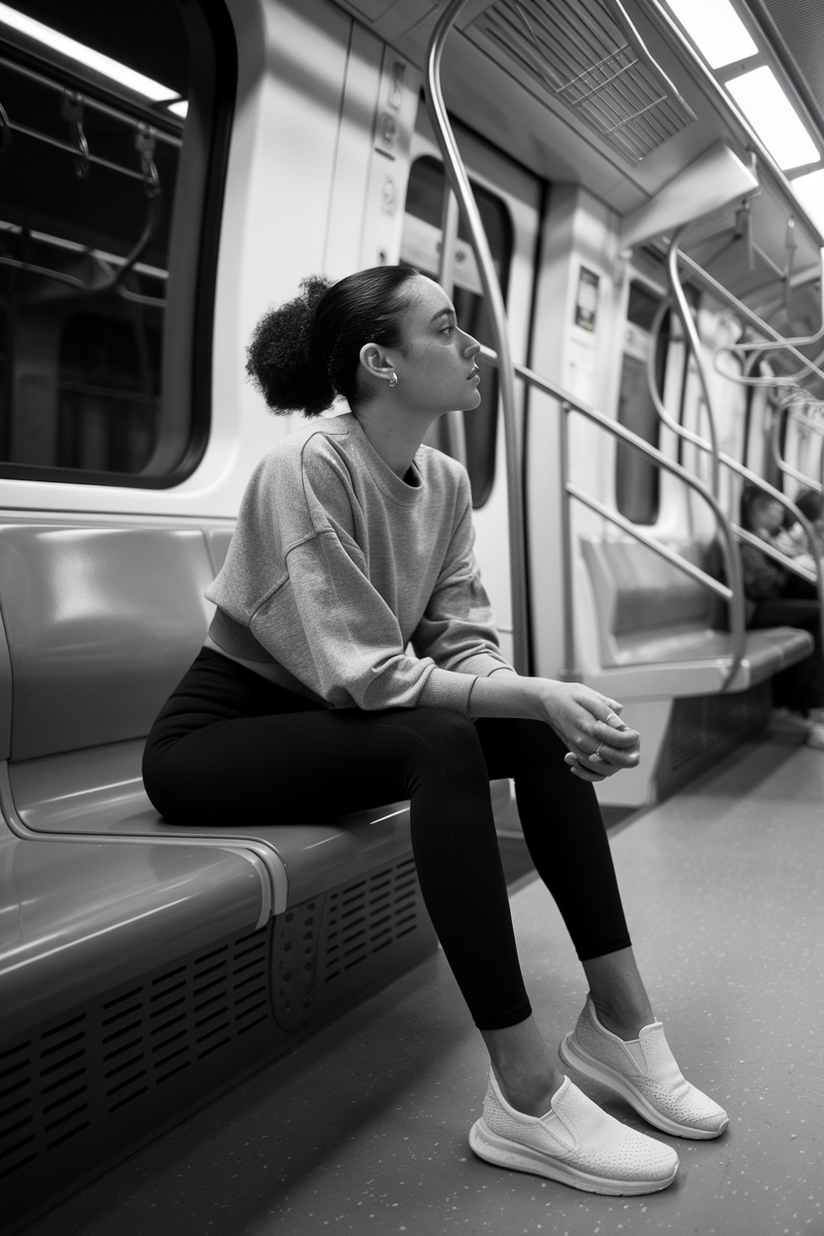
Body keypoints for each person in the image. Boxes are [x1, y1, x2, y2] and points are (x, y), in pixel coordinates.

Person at [143, 266, 727, 1197]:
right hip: (219, 739)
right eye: (450, 329)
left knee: (524, 729)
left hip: (331, 723)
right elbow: (364, 672)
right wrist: (536, 694)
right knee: (442, 740)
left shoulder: (445, 480)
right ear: (379, 361)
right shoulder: (307, 469)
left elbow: (460, 639)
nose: (475, 349)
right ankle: (524, 1096)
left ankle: (619, 1023)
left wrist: (537, 698)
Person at [738, 484, 824, 747]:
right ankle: (801, 704)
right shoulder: (750, 541)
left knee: (814, 611)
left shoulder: (770, 539)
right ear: (756, 511)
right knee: (815, 615)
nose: (779, 511)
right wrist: (789, 571)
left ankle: (805, 702)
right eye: (772, 506)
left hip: (771, 604)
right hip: (756, 609)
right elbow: (761, 586)